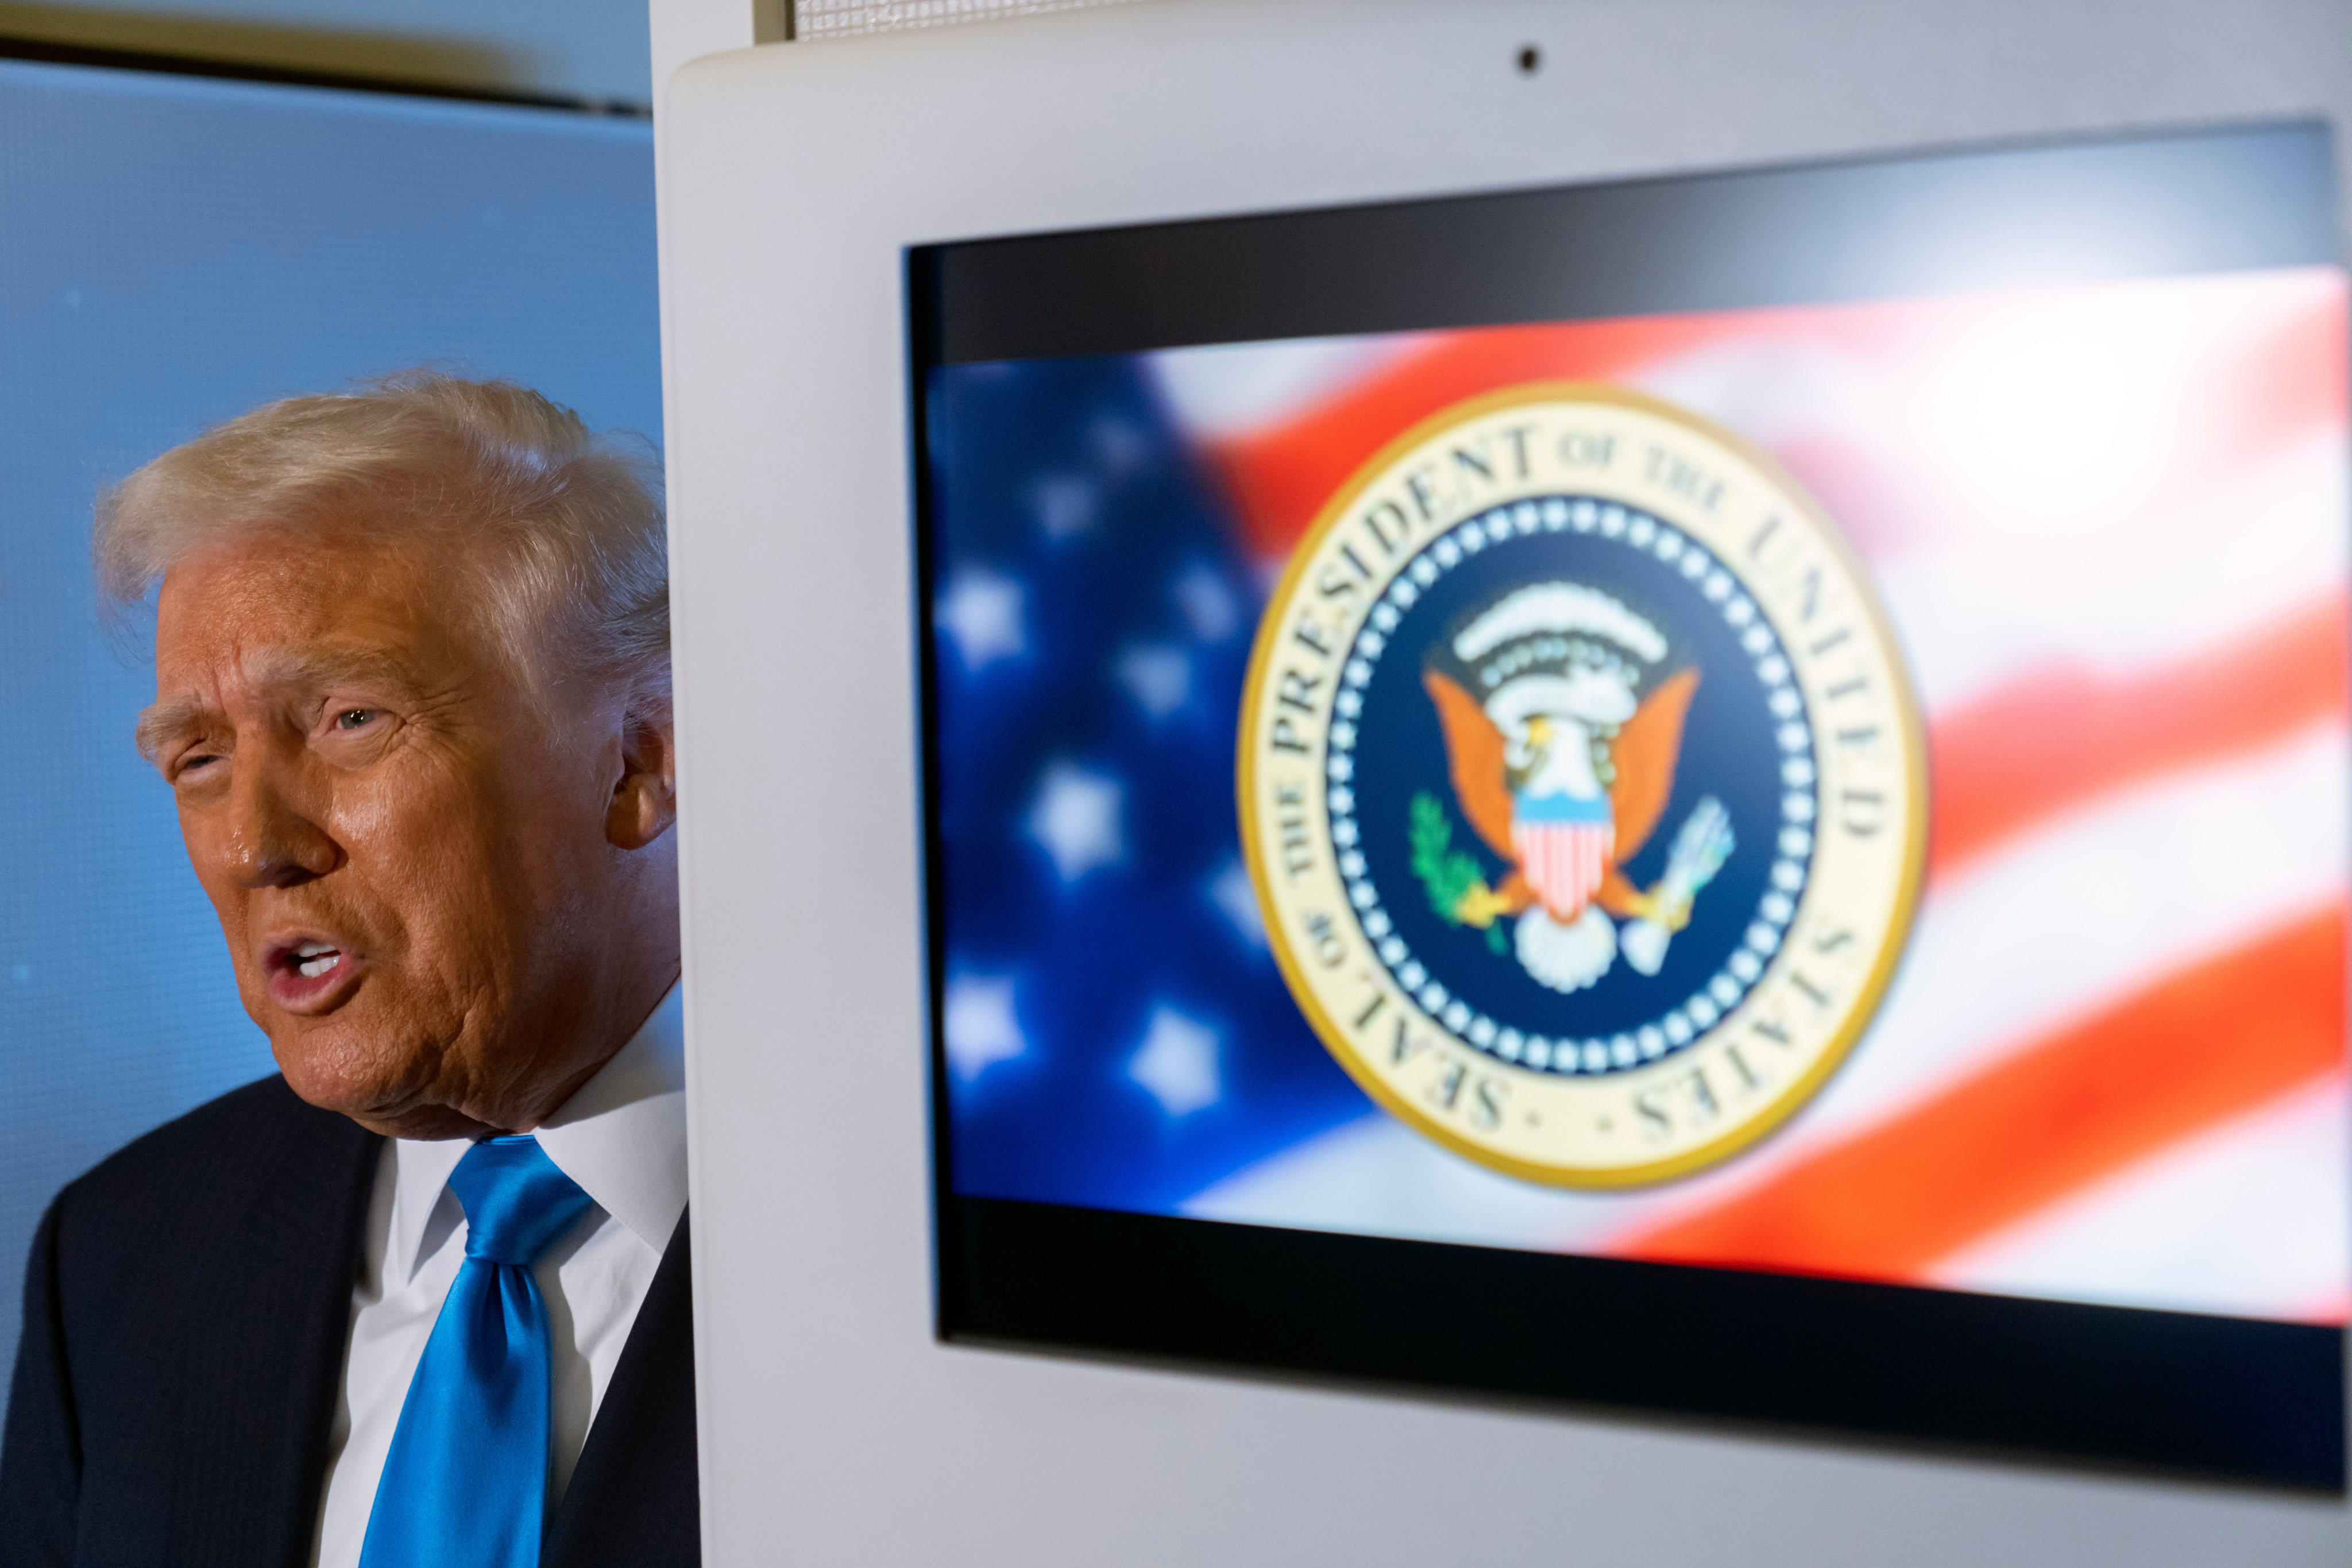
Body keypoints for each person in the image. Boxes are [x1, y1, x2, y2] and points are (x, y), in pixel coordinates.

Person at [0, 373, 697, 1566]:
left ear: (636, 762)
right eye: (200, 757)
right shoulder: (120, 1259)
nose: (256, 843)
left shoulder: (937, 1237)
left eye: (349, 720)